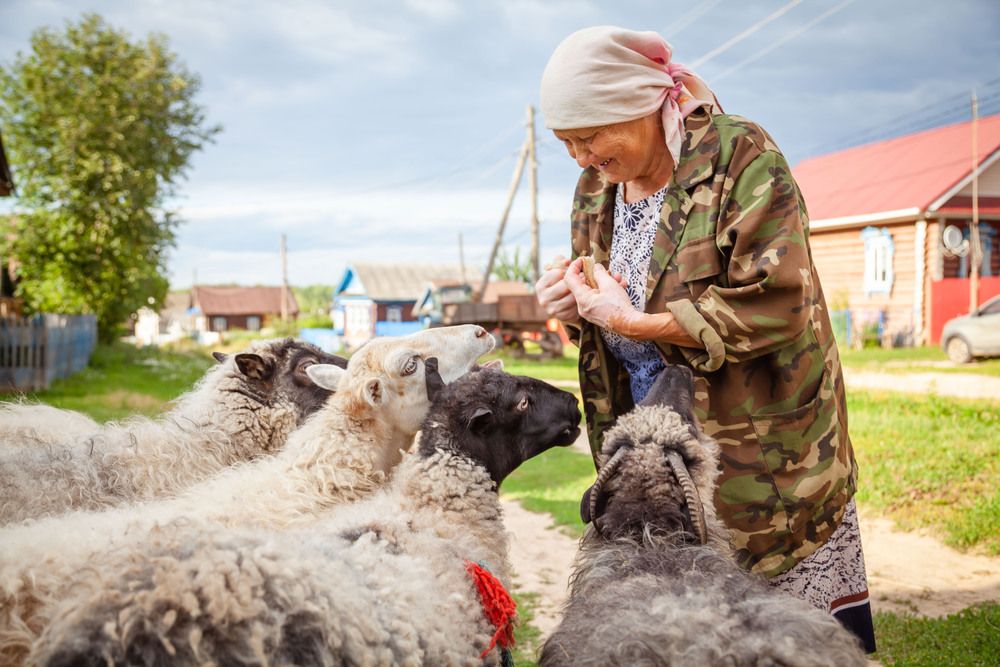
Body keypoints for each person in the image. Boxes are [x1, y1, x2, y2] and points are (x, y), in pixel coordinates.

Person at [535, 26, 876, 652]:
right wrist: (573, 309)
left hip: (757, 450)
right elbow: (607, 304)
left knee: (780, 639)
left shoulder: (738, 157)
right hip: (656, 453)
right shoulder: (595, 189)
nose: (580, 158)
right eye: (566, 143)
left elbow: (779, 303)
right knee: (684, 637)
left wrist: (629, 321)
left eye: (588, 137)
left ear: (634, 104)